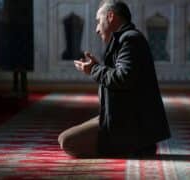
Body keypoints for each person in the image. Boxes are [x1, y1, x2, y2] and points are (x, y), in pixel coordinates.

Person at [58, 0, 171, 158]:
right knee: (63, 138)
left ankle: (136, 146)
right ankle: (132, 145)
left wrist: (94, 70)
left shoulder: (130, 40)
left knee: (68, 142)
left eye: (99, 21)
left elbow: (123, 78)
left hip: (130, 124)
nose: (97, 29)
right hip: (119, 117)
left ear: (110, 16)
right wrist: (96, 68)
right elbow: (118, 76)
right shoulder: (123, 40)